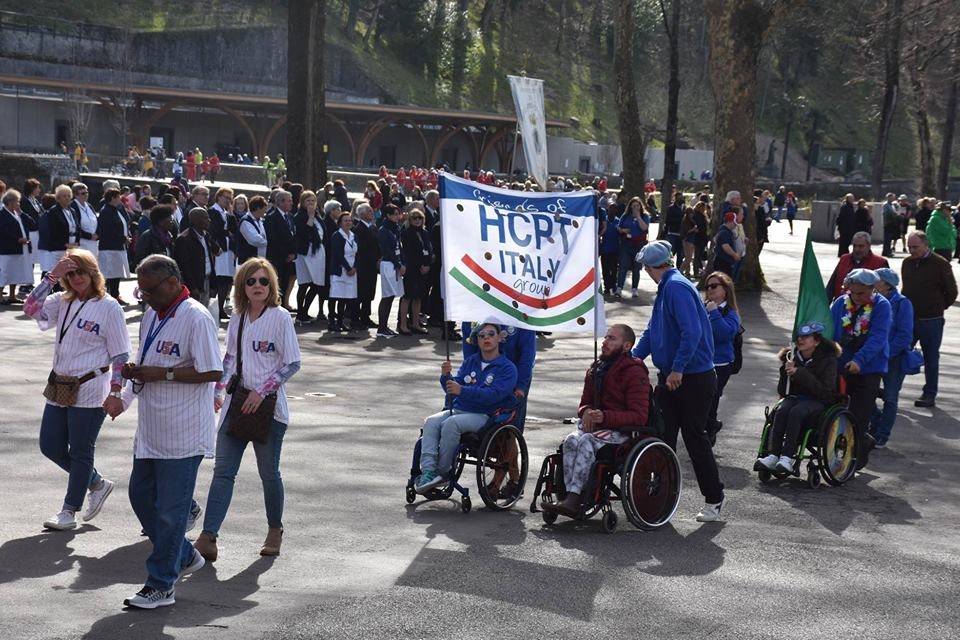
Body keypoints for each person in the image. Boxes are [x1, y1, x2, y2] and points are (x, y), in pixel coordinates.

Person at [112, 255, 222, 610]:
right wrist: (136, 373)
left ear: (173, 283)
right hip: (152, 429)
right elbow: (151, 363)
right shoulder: (151, 315)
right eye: (140, 291)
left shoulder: (196, 317)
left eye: (150, 290)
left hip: (184, 432)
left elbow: (211, 372)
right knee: (140, 498)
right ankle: (184, 554)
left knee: (171, 513)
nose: (144, 297)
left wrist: (165, 374)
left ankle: (161, 584)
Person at [193, 258, 301, 562]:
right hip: (236, 404)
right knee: (223, 472)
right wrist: (217, 392)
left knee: (269, 473)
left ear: (272, 286)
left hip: (269, 410)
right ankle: (208, 536)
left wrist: (262, 390)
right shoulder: (238, 317)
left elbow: (292, 363)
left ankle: (274, 530)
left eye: (263, 281)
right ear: (242, 286)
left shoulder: (280, 318)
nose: (257, 286)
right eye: (251, 281)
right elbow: (229, 359)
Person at [23, 249, 130, 530]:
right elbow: (30, 308)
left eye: (80, 271)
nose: (76, 278)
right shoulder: (63, 300)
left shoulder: (109, 307)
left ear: (93, 273)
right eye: (70, 273)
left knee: (81, 450)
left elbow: (120, 355)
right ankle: (96, 482)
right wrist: (52, 276)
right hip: (60, 385)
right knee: (50, 445)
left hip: (92, 386)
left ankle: (69, 510)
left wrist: (116, 391)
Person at [632, 240, 725, 522]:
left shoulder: (676, 287)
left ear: (650, 267)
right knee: (662, 436)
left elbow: (692, 332)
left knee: (695, 438)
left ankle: (714, 498)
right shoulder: (667, 287)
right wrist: (634, 357)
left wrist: (678, 369)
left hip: (693, 377)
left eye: (645, 266)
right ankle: (662, 498)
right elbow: (653, 330)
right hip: (674, 374)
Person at [542, 324, 649, 517]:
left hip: (622, 432)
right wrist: (586, 412)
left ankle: (575, 498)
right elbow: (584, 404)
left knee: (586, 441)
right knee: (571, 440)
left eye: (611, 339)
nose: (605, 342)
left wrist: (604, 416)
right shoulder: (596, 369)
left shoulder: (634, 372)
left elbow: (639, 416)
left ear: (626, 346)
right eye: (606, 337)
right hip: (596, 427)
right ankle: (568, 494)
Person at [413, 319, 518, 494]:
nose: (486, 338)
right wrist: (446, 377)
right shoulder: (471, 361)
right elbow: (454, 387)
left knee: (451, 424)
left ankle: (444, 472)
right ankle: (429, 471)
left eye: (491, 334)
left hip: (485, 415)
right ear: (476, 341)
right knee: (431, 422)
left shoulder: (507, 368)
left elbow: (493, 396)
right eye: (481, 335)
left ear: (500, 338)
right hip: (460, 409)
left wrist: (462, 390)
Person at [755, 322, 839, 473]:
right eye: (799, 336)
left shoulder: (828, 360)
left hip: (818, 401)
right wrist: (785, 373)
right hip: (795, 398)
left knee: (797, 411)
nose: (800, 340)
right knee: (781, 410)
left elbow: (825, 392)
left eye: (806, 337)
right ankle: (773, 455)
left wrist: (799, 373)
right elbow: (783, 391)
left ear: (817, 341)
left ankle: (787, 457)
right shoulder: (792, 356)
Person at [829, 268, 891, 469]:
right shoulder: (840, 303)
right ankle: (859, 442)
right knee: (835, 411)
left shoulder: (882, 306)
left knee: (859, 415)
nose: (856, 298)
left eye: (862, 294)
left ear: (872, 290)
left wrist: (859, 361)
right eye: (853, 292)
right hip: (841, 366)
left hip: (869, 368)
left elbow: (878, 339)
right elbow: (829, 331)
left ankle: (855, 458)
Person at [902, 231, 957, 408]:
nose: (911, 250)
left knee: (931, 358)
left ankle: (929, 394)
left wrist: (937, 307)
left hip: (931, 320)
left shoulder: (940, 264)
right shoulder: (907, 263)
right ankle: (891, 390)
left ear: (926, 245)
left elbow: (952, 292)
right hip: (909, 319)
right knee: (900, 353)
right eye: (909, 247)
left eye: (915, 247)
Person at [868, 268, 913, 448]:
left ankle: (882, 434)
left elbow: (904, 336)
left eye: (876, 279)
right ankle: (876, 421)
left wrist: (886, 352)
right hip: (873, 356)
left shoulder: (902, 303)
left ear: (886, 284)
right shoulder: (872, 300)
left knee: (890, 397)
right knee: (866, 392)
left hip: (893, 359)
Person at [704, 271, 740, 444]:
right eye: (707, 286)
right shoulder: (703, 307)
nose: (709, 289)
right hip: (702, 362)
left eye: (714, 286)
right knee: (703, 400)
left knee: (711, 399)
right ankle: (710, 425)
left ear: (725, 290)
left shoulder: (730, 312)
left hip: (721, 364)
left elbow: (724, 334)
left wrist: (714, 313)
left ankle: (709, 428)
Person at [292, 190, 326, 326]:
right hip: (305, 253)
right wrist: (310, 217)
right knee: (304, 283)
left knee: (317, 284)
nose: (311, 204)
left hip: (317, 252)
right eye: (308, 201)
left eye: (313, 201)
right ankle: (301, 313)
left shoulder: (318, 216)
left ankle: (305, 310)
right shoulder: (299, 216)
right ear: (302, 202)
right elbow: (304, 232)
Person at [173, 208, 219, 308]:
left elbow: (211, 258)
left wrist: (213, 284)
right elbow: (185, 266)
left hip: (206, 279)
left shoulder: (206, 235)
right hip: (195, 283)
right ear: (195, 220)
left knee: (205, 310)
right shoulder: (184, 239)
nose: (209, 220)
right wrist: (193, 287)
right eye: (205, 218)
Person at [825, 231, 889, 300]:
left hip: (868, 308)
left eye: (861, 246)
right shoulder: (844, 259)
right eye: (854, 246)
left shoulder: (880, 263)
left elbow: (887, 291)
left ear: (869, 246)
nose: (857, 249)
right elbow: (831, 286)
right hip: (841, 307)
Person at [96, 188, 132, 303]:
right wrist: (123, 238)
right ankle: (108, 296)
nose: (120, 200)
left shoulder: (115, 210)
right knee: (109, 273)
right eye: (117, 197)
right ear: (112, 198)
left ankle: (115, 294)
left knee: (116, 272)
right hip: (109, 247)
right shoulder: (106, 211)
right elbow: (108, 230)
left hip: (117, 247)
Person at [399, 208, 432, 335]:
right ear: (410, 220)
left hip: (424, 269)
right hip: (412, 269)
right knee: (407, 296)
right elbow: (409, 253)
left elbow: (428, 249)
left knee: (419, 297)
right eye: (414, 218)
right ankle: (403, 325)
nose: (417, 220)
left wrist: (427, 264)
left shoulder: (424, 232)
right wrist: (420, 265)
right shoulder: (407, 233)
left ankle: (415, 323)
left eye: (420, 218)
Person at [209, 187, 238, 321]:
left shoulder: (227, 213)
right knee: (220, 279)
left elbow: (235, 230)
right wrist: (227, 232)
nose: (228, 201)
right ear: (219, 197)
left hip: (228, 250)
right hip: (219, 250)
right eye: (225, 197)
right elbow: (215, 230)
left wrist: (231, 214)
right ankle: (216, 308)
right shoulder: (213, 211)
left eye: (230, 198)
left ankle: (221, 308)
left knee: (227, 280)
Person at [265, 190, 297, 311]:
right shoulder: (271, 218)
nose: (291, 203)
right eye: (289, 201)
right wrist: (285, 254)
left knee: (284, 285)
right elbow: (273, 239)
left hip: (289, 259)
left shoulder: (290, 217)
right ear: (281, 202)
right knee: (275, 285)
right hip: (277, 258)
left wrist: (294, 254)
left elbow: (294, 237)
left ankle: (282, 308)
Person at [1, 189, 35, 303]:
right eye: (17, 202)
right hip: (7, 249)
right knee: (4, 272)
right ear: (10, 202)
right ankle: (0, 296)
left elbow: (32, 224)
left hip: (20, 248)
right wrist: (17, 239)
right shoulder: (2, 214)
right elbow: (3, 231)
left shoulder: (17, 213)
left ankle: (12, 295)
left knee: (14, 272)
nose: (18, 204)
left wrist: (21, 212)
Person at [376, 204, 404, 338]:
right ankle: (381, 327)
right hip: (388, 264)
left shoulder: (395, 228)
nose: (397, 216)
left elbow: (399, 247)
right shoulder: (383, 230)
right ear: (388, 215)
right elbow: (387, 250)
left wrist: (401, 263)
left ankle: (385, 326)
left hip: (395, 264)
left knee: (392, 296)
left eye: (398, 213)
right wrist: (398, 264)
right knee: (387, 296)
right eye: (394, 214)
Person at [328, 210, 358, 333]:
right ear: (340, 223)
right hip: (339, 270)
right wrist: (348, 268)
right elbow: (338, 254)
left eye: (350, 220)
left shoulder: (353, 235)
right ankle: (332, 321)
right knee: (335, 295)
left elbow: (357, 253)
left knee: (345, 297)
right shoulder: (337, 235)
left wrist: (355, 267)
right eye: (345, 221)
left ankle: (340, 322)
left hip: (352, 270)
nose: (348, 222)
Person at [353, 202, 381, 329]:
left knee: (369, 292)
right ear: (362, 214)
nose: (372, 213)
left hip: (372, 266)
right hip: (363, 265)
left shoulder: (373, 227)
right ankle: (356, 317)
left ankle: (366, 316)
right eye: (369, 211)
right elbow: (361, 249)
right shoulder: (358, 229)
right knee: (361, 292)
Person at [616, 197, 648, 297]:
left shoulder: (644, 216)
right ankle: (619, 288)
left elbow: (644, 228)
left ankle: (634, 289)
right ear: (630, 207)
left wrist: (638, 217)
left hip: (639, 245)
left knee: (636, 267)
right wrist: (623, 230)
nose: (635, 207)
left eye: (637, 206)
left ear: (640, 206)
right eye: (633, 206)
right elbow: (618, 227)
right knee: (623, 266)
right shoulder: (625, 216)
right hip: (626, 244)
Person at [236, 195, 269, 264]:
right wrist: (269, 242)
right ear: (257, 208)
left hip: (258, 261)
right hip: (247, 261)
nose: (265, 211)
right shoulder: (245, 221)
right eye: (264, 208)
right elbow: (255, 240)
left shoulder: (260, 221)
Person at [70, 183, 99, 257]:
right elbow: (75, 226)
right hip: (82, 243)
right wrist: (89, 236)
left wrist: (98, 233)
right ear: (76, 195)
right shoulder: (73, 206)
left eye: (87, 192)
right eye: (83, 193)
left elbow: (96, 221)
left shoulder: (89, 205)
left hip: (93, 243)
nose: (86, 195)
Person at [711, 212, 741, 277]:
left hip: (725, 261)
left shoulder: (726, 231)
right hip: (722, 262)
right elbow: (725, 246)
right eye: (734, 222)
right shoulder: (724, 232)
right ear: (729, 221)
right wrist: (734, 255)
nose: (735, 225)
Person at [599, 205, 620, 295]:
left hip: (615, 249)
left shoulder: (618, 221)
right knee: (605, 269)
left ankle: (613, 285)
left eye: (614, 208)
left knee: (614, 269)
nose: (612, 210)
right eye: (611, 208)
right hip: (605, 249)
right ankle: (607, 287)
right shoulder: (604, 221)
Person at [679, 206, 699, 278]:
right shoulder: (685, 221)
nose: (692, 214)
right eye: (690, 213)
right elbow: (686, 231)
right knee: (688, 258)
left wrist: (695, 230)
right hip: (687, 240)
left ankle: (687, 272)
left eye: (692, 213)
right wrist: (693, 229)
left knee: (689, 257)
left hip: (691, 239)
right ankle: (680, 271)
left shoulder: (691, 220)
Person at [664, 193, 684, 257]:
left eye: (682, 197)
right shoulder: (671, 208)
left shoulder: (684, 208)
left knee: (680, 255)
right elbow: (668, 220)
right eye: (679, 197)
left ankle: (679, 267)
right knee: (671, 253)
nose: (681, 199)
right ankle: (669, 266)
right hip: (673, 233)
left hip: (682, 234)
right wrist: (666, 233)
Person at [881, 193, 899, 258]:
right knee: (887, 239)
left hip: (892, 223)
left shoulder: (892, 205)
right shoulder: (886, 205)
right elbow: (886, 214)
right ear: (888, 198)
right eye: (891, 197)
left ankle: (886, 251)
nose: (892, 199)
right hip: (888, 223)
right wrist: (894, 215)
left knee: (889, 239)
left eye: (893, 197)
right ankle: (886, 251)